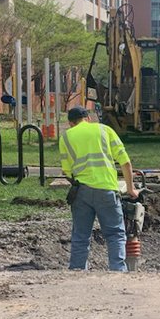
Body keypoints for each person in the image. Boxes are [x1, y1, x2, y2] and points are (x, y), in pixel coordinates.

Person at [59, 106, 138, 272]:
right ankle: (117, 271)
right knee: (115, 234)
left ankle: (77, 271)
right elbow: (125, 162)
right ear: (88, 118)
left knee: (80, 236)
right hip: (107, 190)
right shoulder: (104, 130)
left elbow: (66, 171)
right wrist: (131, 189)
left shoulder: (66, 137)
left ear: (70, 123)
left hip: (81, 192)